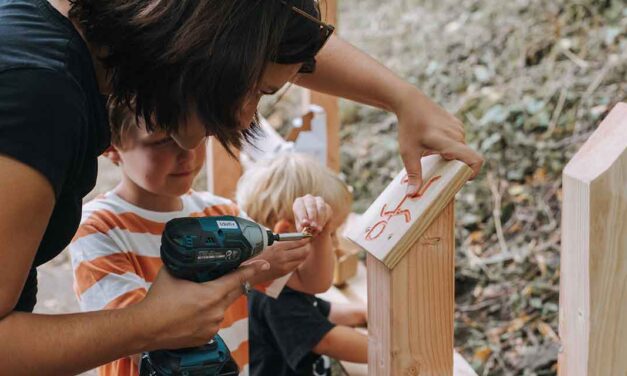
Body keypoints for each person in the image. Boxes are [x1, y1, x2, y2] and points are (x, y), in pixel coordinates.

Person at [0, 0, 483, 373]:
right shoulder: (36, 95)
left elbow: (267, 25)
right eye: (258, 91)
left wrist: (402, 98)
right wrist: (147, 326)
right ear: (213, 55)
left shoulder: (95, 31)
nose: (250, 116)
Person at [68, 104, 333, 376]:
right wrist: (244, 275)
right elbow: (142, 339)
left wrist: (319, 233)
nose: (187, 154)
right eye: (163, 141)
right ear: (111, 145)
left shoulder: (223, 214)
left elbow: (310, 282)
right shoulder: (98, 229)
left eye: (198, 135)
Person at [237, 153, 368, 376]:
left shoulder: (281, 281)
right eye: (329, 234)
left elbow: (320, 311)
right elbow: (327, 340)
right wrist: (398, 349)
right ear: (288, 232)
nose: (335, 244)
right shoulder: (273, 296)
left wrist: (362, 313)